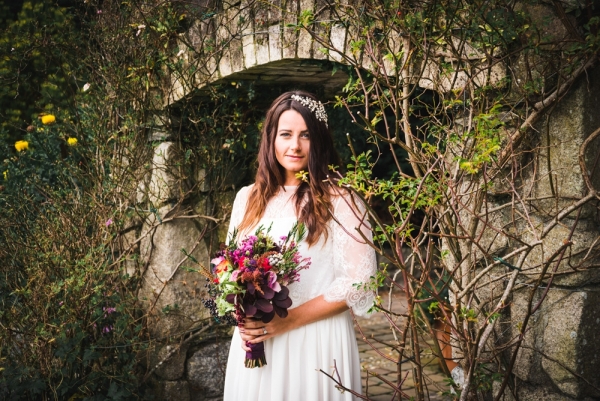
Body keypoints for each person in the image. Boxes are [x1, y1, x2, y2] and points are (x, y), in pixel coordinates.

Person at [223, 91, 377, 401]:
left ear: (319, 140)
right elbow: (229, 271)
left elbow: (360, 282)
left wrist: (288, 320)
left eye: (305, 135)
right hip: (259, 343)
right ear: (271, 138)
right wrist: (243, 319)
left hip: (317, 340)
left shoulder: (341, 200)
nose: (295, 145)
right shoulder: (246, 198)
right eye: (286, 134)